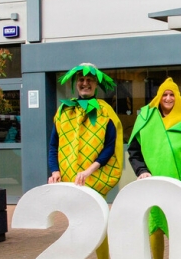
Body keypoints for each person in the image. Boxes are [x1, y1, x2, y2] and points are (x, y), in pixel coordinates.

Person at [47, 63, 124, 259]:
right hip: (70, 179)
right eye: (81, 80)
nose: (84, 83)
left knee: (98, 221)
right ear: (75, 83)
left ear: (96, 83)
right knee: (75, 222)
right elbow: (53, 145)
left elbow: (110, 147)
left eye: (89, 80)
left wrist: (90, 170)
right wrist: (55, 170)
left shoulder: (105, 112)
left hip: (96, 178)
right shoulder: (63, 110)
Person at [128, 78, 181, 259]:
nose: (168, 98)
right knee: (155, 227)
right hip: (153, 185)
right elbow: (134, 151)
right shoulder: (145, 118)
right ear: (158, 97)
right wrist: (141, 170)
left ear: (177, 97)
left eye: (172, 94)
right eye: (164, 94)